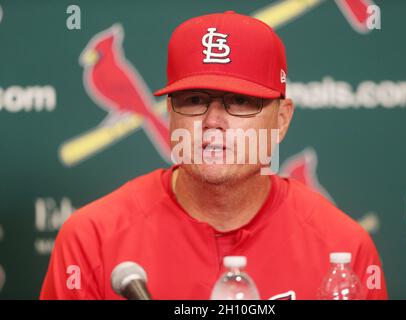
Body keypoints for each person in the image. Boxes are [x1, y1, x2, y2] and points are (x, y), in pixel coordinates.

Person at [40, 10, 387, 300]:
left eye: (240, 102)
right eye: (194, 100)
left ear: (281, 120)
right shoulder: (91, 241)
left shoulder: (343, 249)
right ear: (170, 114)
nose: (213, 122)